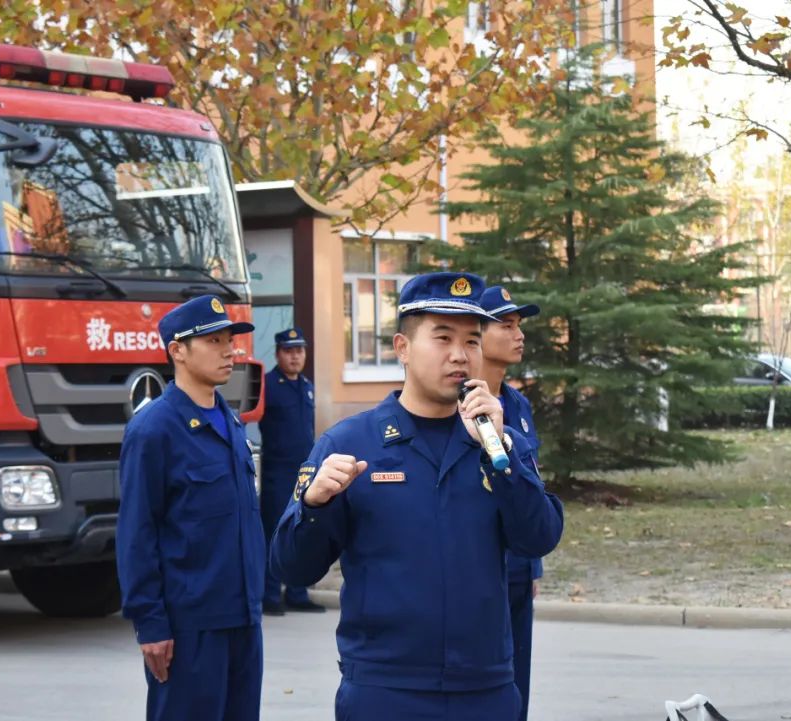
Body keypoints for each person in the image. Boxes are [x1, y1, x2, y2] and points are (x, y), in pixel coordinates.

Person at [271, 271, 564, 721]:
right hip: (385, 688)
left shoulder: (499, 441)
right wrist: (314, 506)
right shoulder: (350, 443)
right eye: (443, 338)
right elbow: (293, 568)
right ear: (403, 348)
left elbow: (538, 537)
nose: (459, 354)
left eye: (471, 341)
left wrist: (502, 456)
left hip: (483, 687)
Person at [116, 294, 265, 721]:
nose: (228, 350)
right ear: (177, 351)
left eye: (229, 340)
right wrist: (151, 623)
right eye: (213, 341)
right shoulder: (154, 430)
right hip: (190, 625)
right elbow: (137, 532)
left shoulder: (231, 422)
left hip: (243, 618)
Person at [480, 285, 543, 721]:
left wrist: (533, 563)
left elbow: (531, 483)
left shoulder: (517, 405)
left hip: (518, 566)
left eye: (519, 325)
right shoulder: (460, 405)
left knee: (518, 686)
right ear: (478, 334)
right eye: (506, 325)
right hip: (481, 567)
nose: (518, 335)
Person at [259, 327, 325, 615]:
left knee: (301, 531)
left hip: (304, 473)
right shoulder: (267, 385)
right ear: (278, 354)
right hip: (277, 472)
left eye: (299, 350)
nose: (295, 356)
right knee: (274, 532)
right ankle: (270, 595)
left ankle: (297, 593)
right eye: (289, 351)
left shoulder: (307, 386)